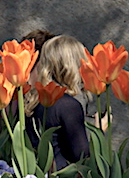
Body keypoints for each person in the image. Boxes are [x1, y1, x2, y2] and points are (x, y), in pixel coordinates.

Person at [27, 34, 91, 167]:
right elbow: (81, 155)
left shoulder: (33, 99)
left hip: (32, 175)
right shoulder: (68, 105)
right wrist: (99, 132)